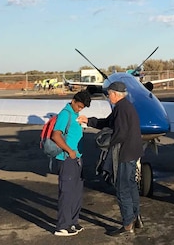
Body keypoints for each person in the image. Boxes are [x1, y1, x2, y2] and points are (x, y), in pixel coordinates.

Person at [85, 81, 143, 236]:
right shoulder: (125, 107)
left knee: (122, 189)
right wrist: (89, 121)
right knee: (131, 186)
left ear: (116, 94)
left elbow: (121, 133)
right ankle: (136, 217)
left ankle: (127, 224)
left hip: (124, 154)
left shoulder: (121, 109)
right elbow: (108, 122)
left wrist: (105, 143)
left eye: (109, 93)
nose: (108, 96)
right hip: (133, 152)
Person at [50, 90, 91, 236]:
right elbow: (56, 135)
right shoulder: (65, 114)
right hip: (66, 158)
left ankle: (73, 222)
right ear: (73, 101)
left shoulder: (75, 115)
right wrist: (69, 150)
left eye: (83, 107)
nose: (80, 109)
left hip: (76, 158)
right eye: (79, 106)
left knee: (76, 192)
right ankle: (62, 226)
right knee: (66, 193)